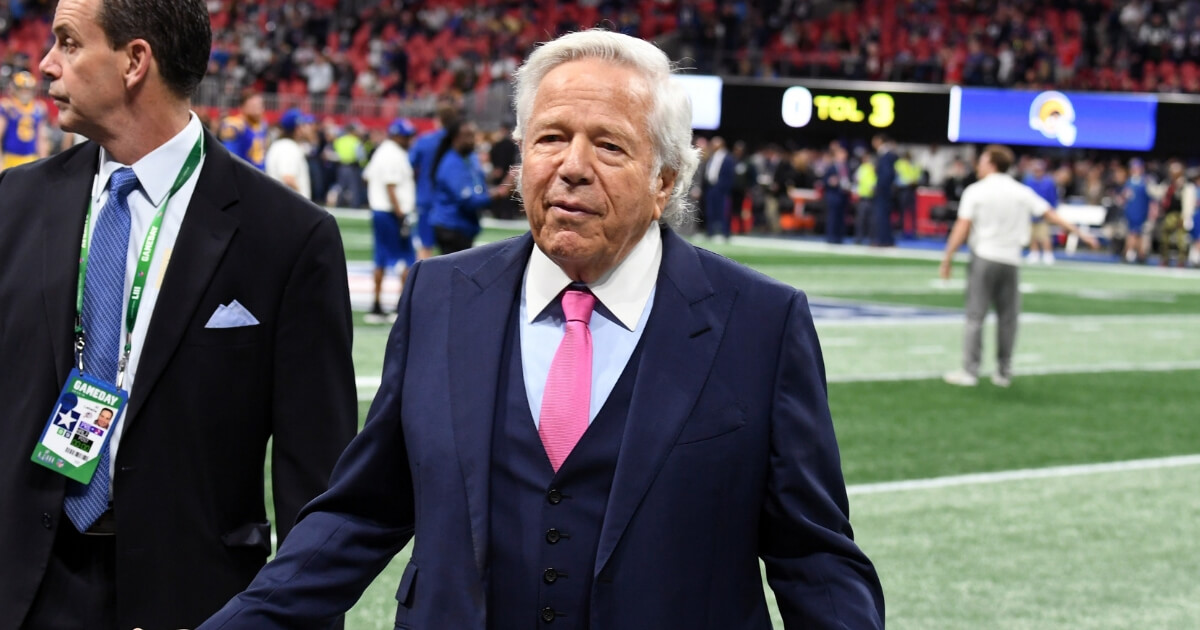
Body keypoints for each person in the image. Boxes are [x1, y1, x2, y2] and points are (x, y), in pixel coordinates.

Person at [199, 29, 883, 630]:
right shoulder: (441, 296)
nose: (572, 166)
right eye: (550, 138)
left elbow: (813, 556)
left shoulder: (760, 321)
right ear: (521, 162)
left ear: (664, 181)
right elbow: (362, 511)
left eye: (609, 145)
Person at [0, 1, 358, 628]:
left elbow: (316, 478)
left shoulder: (288, 235)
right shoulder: (15, 202)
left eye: (68, 42)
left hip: (197, 600)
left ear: (136, 61)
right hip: (25, 585)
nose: (47, 64)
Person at [941, 145, 1098, 388]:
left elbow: (962, 227)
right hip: (1011, 260)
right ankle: (1003, 372)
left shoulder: (976, 190)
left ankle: (970, 371)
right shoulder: (1020, 191)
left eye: (982, 161)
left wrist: (948, 256)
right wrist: (1081, 234)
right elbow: (1051, 214)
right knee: (1008, 319)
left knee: (975, 316)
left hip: (984, 256)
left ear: (992, 164)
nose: (979, 165)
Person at [362, 117, 418, 321]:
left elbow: (366, 176)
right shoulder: (393, 154)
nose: (409, 139)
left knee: (381, 258)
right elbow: (391, 185)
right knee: (405, 259)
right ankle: (400, 306)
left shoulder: (382, 151)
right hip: (391, 213)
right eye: (406, 136)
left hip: (381, 211)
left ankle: (376, 305)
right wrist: (400, 213)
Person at [428, 119, 509, 254]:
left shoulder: (469, 158)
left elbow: (478, 185)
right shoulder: (451, 164)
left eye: (473, 135)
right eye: (468, 136)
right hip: (451, 228)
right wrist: (499, 192)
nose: (473, 140)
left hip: (463, 226)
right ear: (456, 138)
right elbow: (469, 200)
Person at [409, 99, 460, 259]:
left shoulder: (424, 141)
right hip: (450, 201)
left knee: (425, 246)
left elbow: (409, 164)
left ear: (438, 120)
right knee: (454, 252)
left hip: (426, 198)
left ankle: (423, 284)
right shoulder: (457, 142)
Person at [0, 70, 50, 170]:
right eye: (21, 89)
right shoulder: (7, 107)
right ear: (14, 89)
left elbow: (41, 139)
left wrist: (44, 162)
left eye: (28, 89)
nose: (25, 92)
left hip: (31, 158)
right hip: (10, 158)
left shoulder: (39, 108)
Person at [263, 107, 314, 199]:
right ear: (298, 129)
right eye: (304, 125)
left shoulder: (282, 145)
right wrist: (305, 205)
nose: (308, 128)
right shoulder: (288, 147)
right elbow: (288, 179)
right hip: (290, 208)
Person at [218, 90, 268, 171]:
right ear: (242, 107)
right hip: (242, 174)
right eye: (253, 106)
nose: (258, 110)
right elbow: (225, 134)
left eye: (260, 106)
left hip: (259, 174)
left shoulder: (262, 125)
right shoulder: (237, 123)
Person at [1022, 158, 1058, 265]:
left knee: (1044, 234)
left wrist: (1052, 210)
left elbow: (1053, 197)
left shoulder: (1048, 182)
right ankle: (1034, 252)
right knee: (1032, 234)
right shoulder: (1028, 180)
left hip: (1044, 211)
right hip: (1031, 211)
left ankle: (1048, 254)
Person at [701, 135, 736, 240]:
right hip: (711, 187)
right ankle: (710, 231)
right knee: (710, 210)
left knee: (723, 211)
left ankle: (725, 232)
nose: (713, 145)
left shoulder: (728, 157)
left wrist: (724, 187)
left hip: (722, 188)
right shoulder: (711, 156)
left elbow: (730, 175)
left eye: (715, 143)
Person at [1121, 157, 1154, 264]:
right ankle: (1130, 253)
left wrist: (1151, 213)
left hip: (1142, 212)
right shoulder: (1129, 182)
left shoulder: (1146, 182)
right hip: (1131, 212)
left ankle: (1140, 254)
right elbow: (1124, 197)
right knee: (1132, 233)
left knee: (1140, 234)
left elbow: (1152, 198)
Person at [821, 143, 851, 244]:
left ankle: (839, 237)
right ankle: (831, 237)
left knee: (842, 218)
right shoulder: (831, 167)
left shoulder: (848, 167)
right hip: (833, 196)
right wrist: (830, 181)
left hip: (843, 195)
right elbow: (824, 181)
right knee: (832, 218)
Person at [870, 134, 897, 246]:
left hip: (883, 190)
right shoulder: (888, 155)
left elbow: (886, 174)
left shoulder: (885, 155)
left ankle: (883, 240)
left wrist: (879, 186)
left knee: (881, 215)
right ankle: (886, 239)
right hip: (886, 190)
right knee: (884, 215)